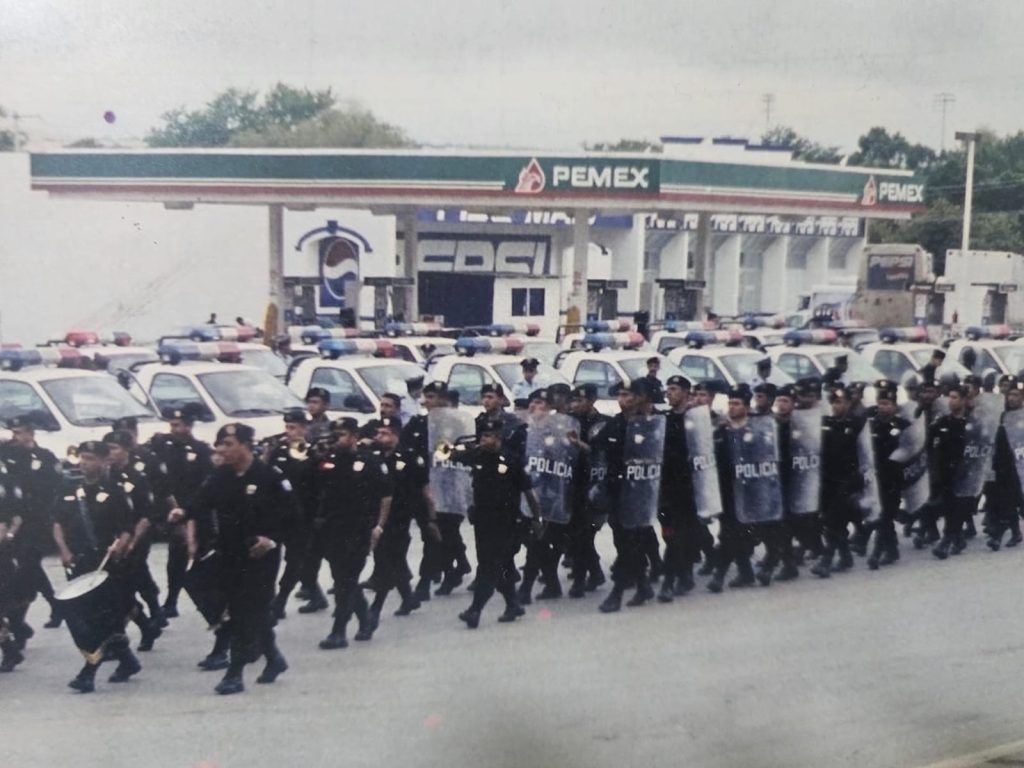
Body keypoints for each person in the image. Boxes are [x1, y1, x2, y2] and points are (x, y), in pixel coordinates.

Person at [178, 424, 292, 695]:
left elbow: (292, 516)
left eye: (228, 444)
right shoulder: (221, 476)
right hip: (228, 553)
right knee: (204, 587)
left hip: (259, 556)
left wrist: (271, 539)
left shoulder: (269, 476)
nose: (222, 450)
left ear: (245, 445)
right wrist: (182, 514)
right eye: (220, 444)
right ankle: (273, 657)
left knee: (244, 611)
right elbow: (200, 502)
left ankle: (234, 673)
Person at [52, 441, 140, 694]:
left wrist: (120, 546)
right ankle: (128, 661)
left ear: (104, 461)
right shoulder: (69, 488)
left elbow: (127, 528)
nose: (84, 463)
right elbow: (57, 523)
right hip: (78, 562)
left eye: (90, 458)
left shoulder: (115, 491)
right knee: (84, 616)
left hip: (105, 565)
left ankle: (88, 673)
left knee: (102, 618)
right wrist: (63, 550)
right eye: (82, 457)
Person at [449, 419, 540, 628]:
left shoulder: (512, 460)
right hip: (483, 521)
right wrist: (457, 447)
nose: (483, 440)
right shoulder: (478, 455)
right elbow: (446, 454)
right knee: (501, 565)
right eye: (482, 436)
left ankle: (475, 610)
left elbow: (529, 493)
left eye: (488, 436)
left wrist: (537, 518)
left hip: (506, 522)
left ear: (498, 438)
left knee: (489, 567)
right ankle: (513, 605)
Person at [315, 418, 392, 649]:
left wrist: (379, 526)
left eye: (341, 435)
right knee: (342, 578)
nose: (337, 439)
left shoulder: (369, 461)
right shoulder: (328, 460)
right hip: (332, 528)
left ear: (354, 437)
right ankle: (366, 618)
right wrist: (317, 455)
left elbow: (385, 496)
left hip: (359, 528)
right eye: (335, 435)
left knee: (346, 581)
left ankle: (338, 631)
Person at [367, 417, 438, 623]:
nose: (379, 437)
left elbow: (425, 491)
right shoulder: (375, 456)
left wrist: (431, 518)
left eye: (385, 433)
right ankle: (408, 598)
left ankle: (375, 608)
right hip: (379, 515)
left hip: (400, 517)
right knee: (394, 559)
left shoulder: (410, 457)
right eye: (378, 433)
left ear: (396, 435)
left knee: (387, 559)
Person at [150, 405, 214, 618]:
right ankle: (171, 600)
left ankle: (209, 599)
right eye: (172, 425)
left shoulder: (201, 450)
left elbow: (206, 483)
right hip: (174, 509)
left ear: (189, 426)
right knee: (176, 558)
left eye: (178, 425)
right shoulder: (164, 446)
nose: (174, 429)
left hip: (197, 510)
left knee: (201, 557)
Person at [0, 415, 63, 630]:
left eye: (19, 433)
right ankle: (55, 604)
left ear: (30, 433)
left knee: (29, 564)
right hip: (15, 520)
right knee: (29, 566)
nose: (14, 437)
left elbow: (56, 488)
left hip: (38, 521)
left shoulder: (45, 457)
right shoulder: (8, 454)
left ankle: (20, 621)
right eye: (13, 433)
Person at [102, 431, 163, 652]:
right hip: (112, 540)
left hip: (136, 537)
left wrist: (132, 543)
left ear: (127, 450)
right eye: (107, 448)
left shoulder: (137, 477)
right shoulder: (105, 476)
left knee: (126, 586)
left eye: (115, 448)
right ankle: (149, 623)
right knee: (125, 587)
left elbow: (145, 515)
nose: (110, 453)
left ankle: (142, 624)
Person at [264, 410, 317, 620]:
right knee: (274, 558)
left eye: (293, 428)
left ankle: (281, 600)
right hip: (278, 514)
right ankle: (314, 595)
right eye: (287, 427)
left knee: (296, 560)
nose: (289, 432)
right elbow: (265, 474)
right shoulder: (279, 450)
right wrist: (267, 453)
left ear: (304, 428)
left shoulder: (312, 452)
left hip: (303, 515)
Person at [810, 386, 863, 578]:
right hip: (828, 479)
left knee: (834, 519)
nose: (835, 406)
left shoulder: (857, 424)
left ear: (849, 403)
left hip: (848, 479)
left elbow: (865, 453)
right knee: (829, 520)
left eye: (840, 402)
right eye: (833, 402)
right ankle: (846, 555)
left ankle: (826, 559)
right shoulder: (826, 423)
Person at [657, 375, 700, 601]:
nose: (669, 393)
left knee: (680, 534)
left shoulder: (696, 418)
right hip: (666, 486)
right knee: (670, 534)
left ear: (685, 392)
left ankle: (669, 581)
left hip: (688, 486)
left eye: (674, 389)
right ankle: (684, 574)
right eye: (668, 389)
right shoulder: (663, 418)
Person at [566, 383, 608, 596]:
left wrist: (578, 444)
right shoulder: (570, 420)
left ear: (592, 401)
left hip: (591, 484)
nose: (575, 404)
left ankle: (581, 579)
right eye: (574, 400)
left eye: (580, 400)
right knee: (577, 534)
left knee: (583, 534)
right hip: (572, 483)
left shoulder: (601, 423)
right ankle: (595, 572)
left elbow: (599, 452)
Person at [866, 381, 910, 569]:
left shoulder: (903, 425)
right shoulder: (870, 425)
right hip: (876, 476)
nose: (883, 407)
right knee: (882, 515)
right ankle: (891, 549)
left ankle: (877, 552)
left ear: (894, 406)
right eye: (880, 403)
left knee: (886, 514)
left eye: (887, 404)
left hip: (894, 478)